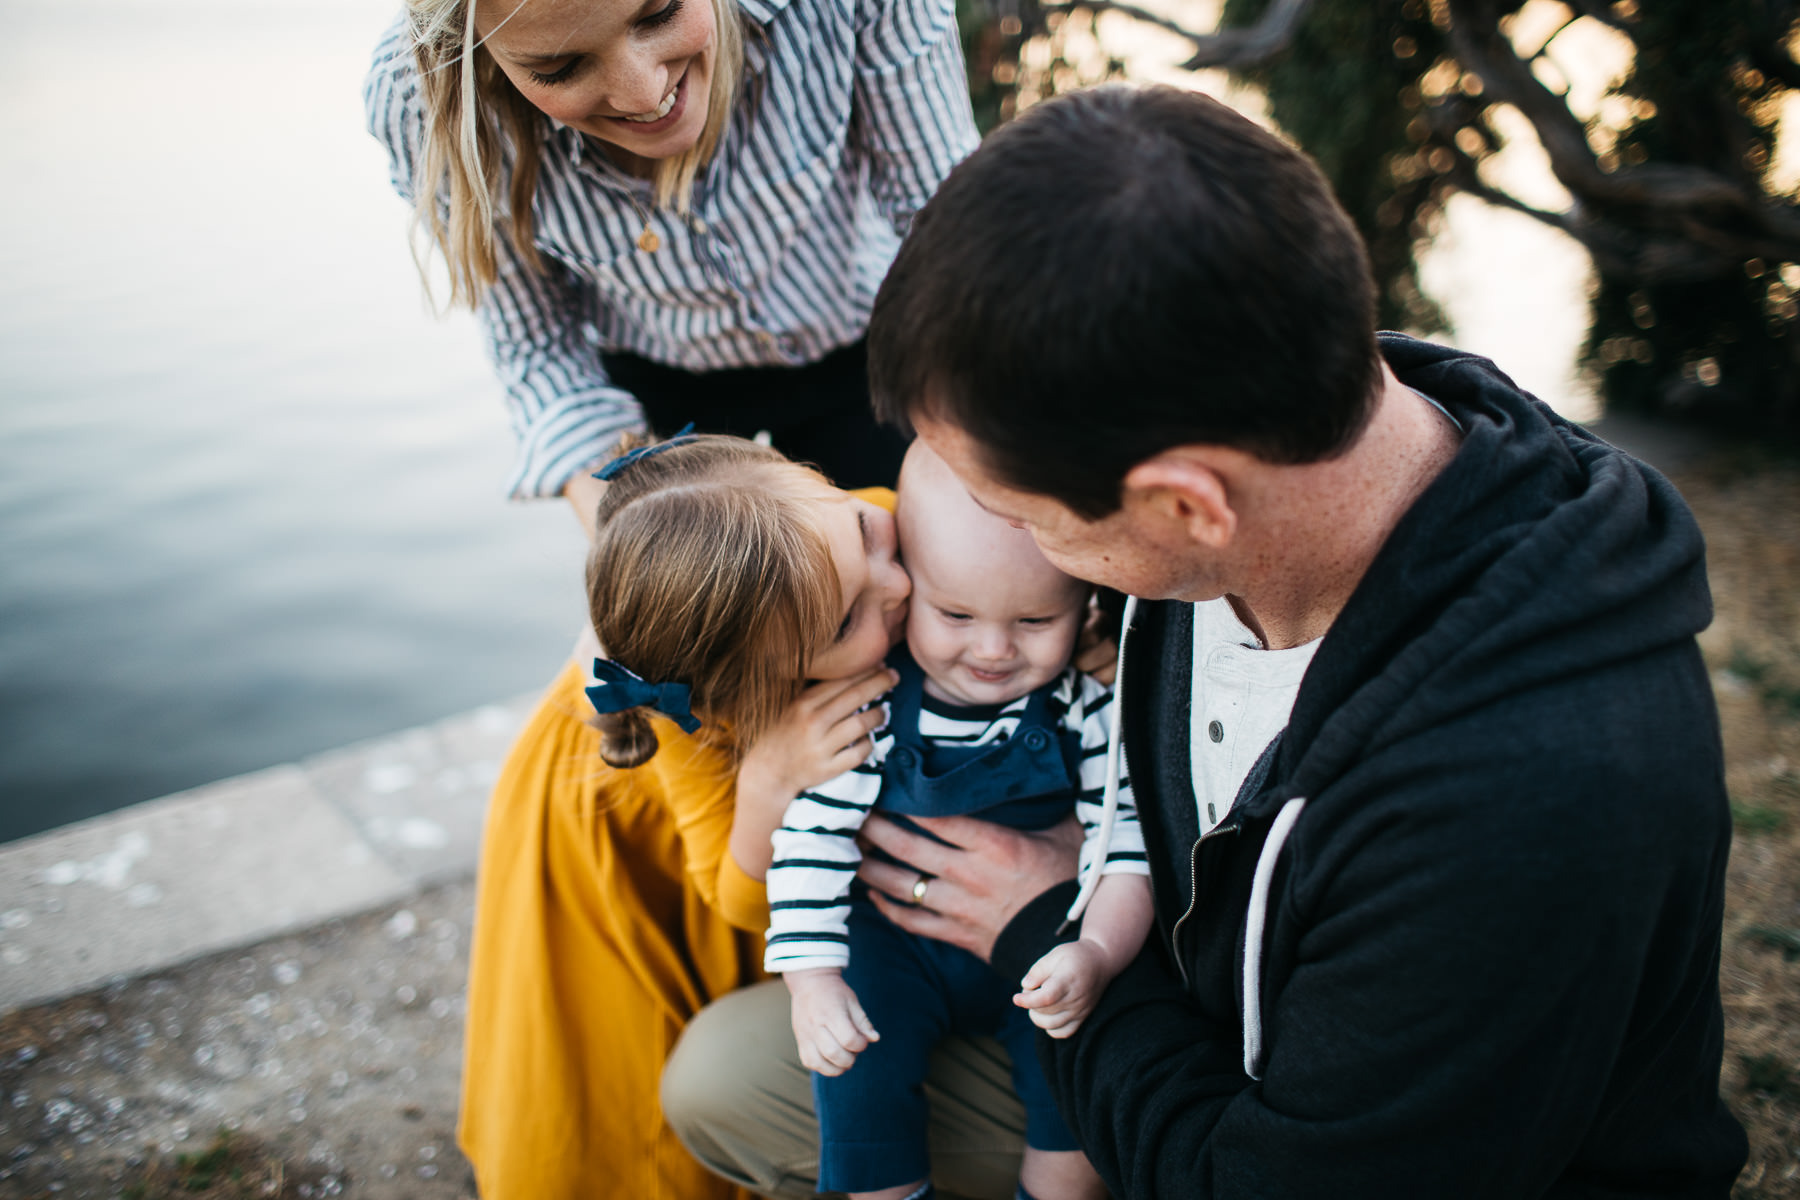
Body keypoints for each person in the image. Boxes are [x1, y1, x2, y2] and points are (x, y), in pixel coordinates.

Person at [665, 84, 1751, 1197]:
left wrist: (1043, 920)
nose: (1015, 560)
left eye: (1033, 524)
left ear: (1187, 507)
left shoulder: (1518, 802)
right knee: (734, 1077)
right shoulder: (1265, 423)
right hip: (1175, 1005)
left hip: (1300, 1150)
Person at [363, 0, 979, 521]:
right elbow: (538, 345)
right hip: (660, 413)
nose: (646, 92)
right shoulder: (417, 100)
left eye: (659, 13)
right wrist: (623, 528)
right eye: (560, 66)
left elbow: (949, 228)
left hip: (873, 358)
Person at [764, 442, 1152, 1200]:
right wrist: (812, 981)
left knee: (1077, 1075)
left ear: (1086, 606)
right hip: (894, 946)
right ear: (910, 589)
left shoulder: (1086, 706)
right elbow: (810, 840)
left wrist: (1097, 952)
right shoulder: (871, 707)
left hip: (1043, 943)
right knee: (855, 1068)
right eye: (956, 614)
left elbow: (1125, 844)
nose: (994, 649)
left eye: (1038, 618)